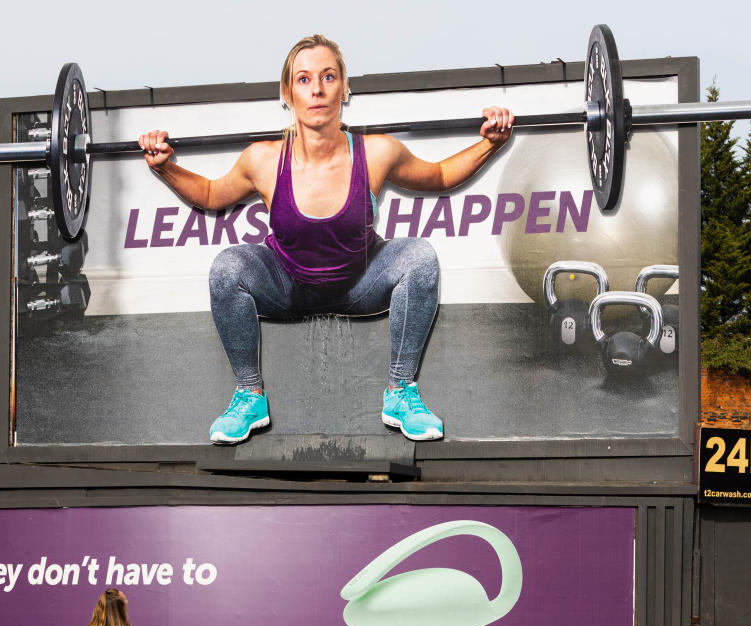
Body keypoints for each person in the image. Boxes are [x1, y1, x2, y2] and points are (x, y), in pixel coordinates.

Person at [139, 34, 513, 444]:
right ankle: (249, 395)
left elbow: (439, 176)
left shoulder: (375, 153)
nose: (316, 89)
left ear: (345, 87)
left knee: (419, 257)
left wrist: (489, 144)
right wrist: (164, 167)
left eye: (328, 76)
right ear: (287, 93)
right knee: (228, 268)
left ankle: (400, 392)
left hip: (360, 283)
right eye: (303, 79)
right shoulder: (263, 160)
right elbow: (211, 194)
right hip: (287, 286)